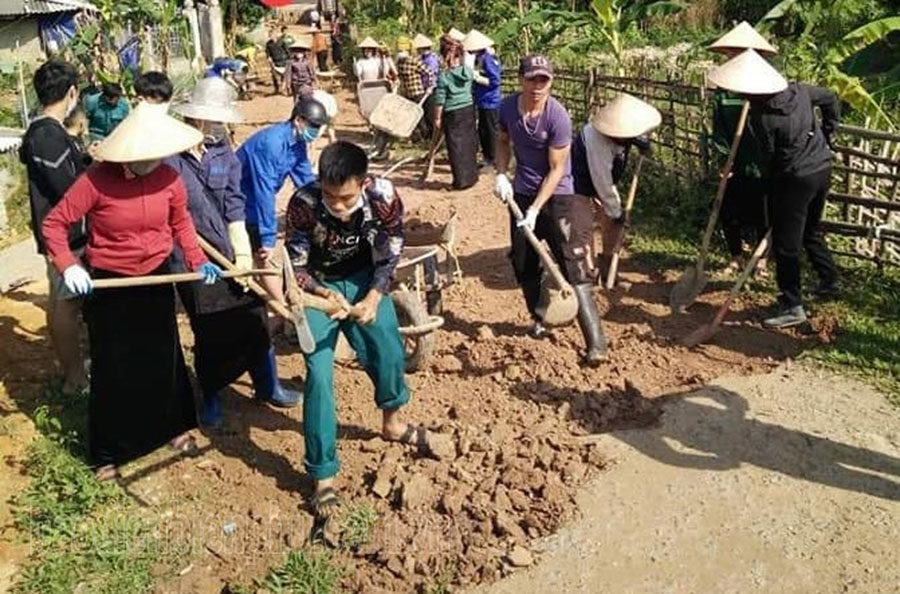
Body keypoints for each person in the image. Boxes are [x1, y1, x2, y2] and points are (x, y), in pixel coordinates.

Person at [41, 102, 225, 480]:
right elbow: (54, 226)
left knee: (163, 357)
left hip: (156, 278)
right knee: (114, 365)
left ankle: (171, 429)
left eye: (157, 157)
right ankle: (109, 451)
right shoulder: (96, 181)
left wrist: (196, 261)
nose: (150, 163)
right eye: (143, 157)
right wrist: (69, 266)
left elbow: (181, 225)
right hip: (112, 283)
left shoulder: (169, 180)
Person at [284, 141, 432, 524]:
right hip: (318, 287)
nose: (337, 205)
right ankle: (323, 475)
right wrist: (321, 293)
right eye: (330, 197)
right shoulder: (303, 202)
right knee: (318, 373)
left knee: (388, 348)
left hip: (365, 278)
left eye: (346, 197)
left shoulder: (383, 196)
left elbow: (392, 246)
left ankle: (393, 423)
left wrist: (373, 296)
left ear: (363, 183)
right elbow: (296, 263)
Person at [168, 77, 302, 424]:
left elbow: (234, 201)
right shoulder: (170, 157)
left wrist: (242, 254)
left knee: (254, 314)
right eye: (211, 118)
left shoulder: (222, 150)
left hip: (228, 250)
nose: (217, 125)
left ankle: (268, 385)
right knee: (210, 326)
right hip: (192, 258)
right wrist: (194, 252)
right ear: (194, 117)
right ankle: (211, 396)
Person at [494, 55, 584, 342]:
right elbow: (503, 141)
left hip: (557, 196)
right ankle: (539, 317)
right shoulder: (508, 108)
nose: (537, 85)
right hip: (521, 190)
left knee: (569, 261)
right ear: (521, 79)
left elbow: (557, 169)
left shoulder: (558, 116)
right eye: (531, 78)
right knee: (523, 261)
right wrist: (500, 173)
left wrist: (534, 209)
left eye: (543, 79)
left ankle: (593, 337)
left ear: (551, 82)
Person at [570, 94, 660, 363]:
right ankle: (586, 279)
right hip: (578, 182)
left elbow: (610, 180)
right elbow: (602, 183)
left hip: (604, 180)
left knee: (612, 225)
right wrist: (617, 210)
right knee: (584, 229)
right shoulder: (596, 140)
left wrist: (642, 144)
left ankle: (608, 270)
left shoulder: (627, 131)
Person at [19, 59, 89, 396]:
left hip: (62, 233)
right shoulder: (47, 136)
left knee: (64, 300)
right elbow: (69, 188)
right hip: (63, 235)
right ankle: (74, 378)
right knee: (67, 303)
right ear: (72, 93)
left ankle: (74, 369)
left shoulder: (50, 132)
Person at [752, 81, 841, 328]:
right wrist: (828, 129)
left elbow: (769, 158)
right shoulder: (800, 92)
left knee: (786, 243)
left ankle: (792, 306)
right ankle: (829, 279)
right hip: (822, 169)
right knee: (810, 229)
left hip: (795, 178)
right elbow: (831, 97)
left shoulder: (763, 116)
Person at [236, 97, 328, 324]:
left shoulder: (297, 144)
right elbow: (263, 192)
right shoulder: (271, 144)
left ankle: (277, 303)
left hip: (256, 201)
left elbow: (305, 180)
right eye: (313, 126)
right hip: (241, 203)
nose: (316, 132)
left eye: (319, 127)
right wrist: (268, 238)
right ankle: (284, 313)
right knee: (264, 256)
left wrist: (327, 204)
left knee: (264, 257)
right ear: (299, 120)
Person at [708, 23, 778, 278]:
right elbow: (719, 128)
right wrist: (723, 160)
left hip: (764, 162)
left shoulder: (769, 85)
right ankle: (735, 256)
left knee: (764, 213)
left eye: (738, 52)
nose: (732, 57)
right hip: (735, 162)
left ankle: (761, 260)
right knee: (728, 211)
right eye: (731, 53)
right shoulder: (724, 89)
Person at [434, 35, 478, 190]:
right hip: (468, 109)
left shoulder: (444, 76)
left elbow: (440, 99)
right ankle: (472, 177)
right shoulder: (467, 71)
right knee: (469, 143)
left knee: (456, 147)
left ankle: (461, 181)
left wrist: (438, 118)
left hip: (453, 112)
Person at [464, 30, 503, 166]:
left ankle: (493, 158)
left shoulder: (488, 59)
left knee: (490, 131)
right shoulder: (480, 58)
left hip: (490, 100)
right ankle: (487, 157)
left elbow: (495, 81)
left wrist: (478, 78)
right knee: (483, 130)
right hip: (482, 99)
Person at [396, 50, 435, 140]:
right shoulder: (399, 63)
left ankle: (427, 137)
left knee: (421, 116)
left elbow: (429, 72)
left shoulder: (414, 62)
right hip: (407, 93)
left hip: (418, 92)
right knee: (414, 118)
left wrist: (430, 86)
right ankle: (420, 136)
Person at [266, 27, 291, 96]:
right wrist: (269, 58)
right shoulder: (268, 44)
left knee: (285, 76)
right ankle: (276, 89)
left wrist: (289, 58)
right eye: (269, 35)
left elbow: (287, 50)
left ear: (276, 34)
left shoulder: (281, 41)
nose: (270, 36)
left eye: (272, 35)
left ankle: (284, 89)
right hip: (275, 62)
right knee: (274, 76)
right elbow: (268, 53)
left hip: (284, 60)